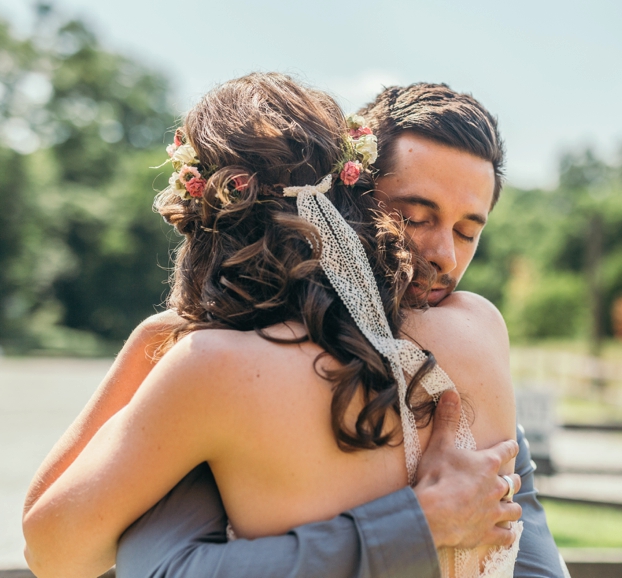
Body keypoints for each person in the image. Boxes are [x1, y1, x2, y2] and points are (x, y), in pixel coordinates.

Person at [22, 74, 560, 578]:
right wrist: (417, 523)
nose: (443, 255)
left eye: (469, 231)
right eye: (415, 217)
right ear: (351, 198)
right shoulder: (480, 330)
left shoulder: (210, 372)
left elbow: (62, 552)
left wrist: (157, 343)